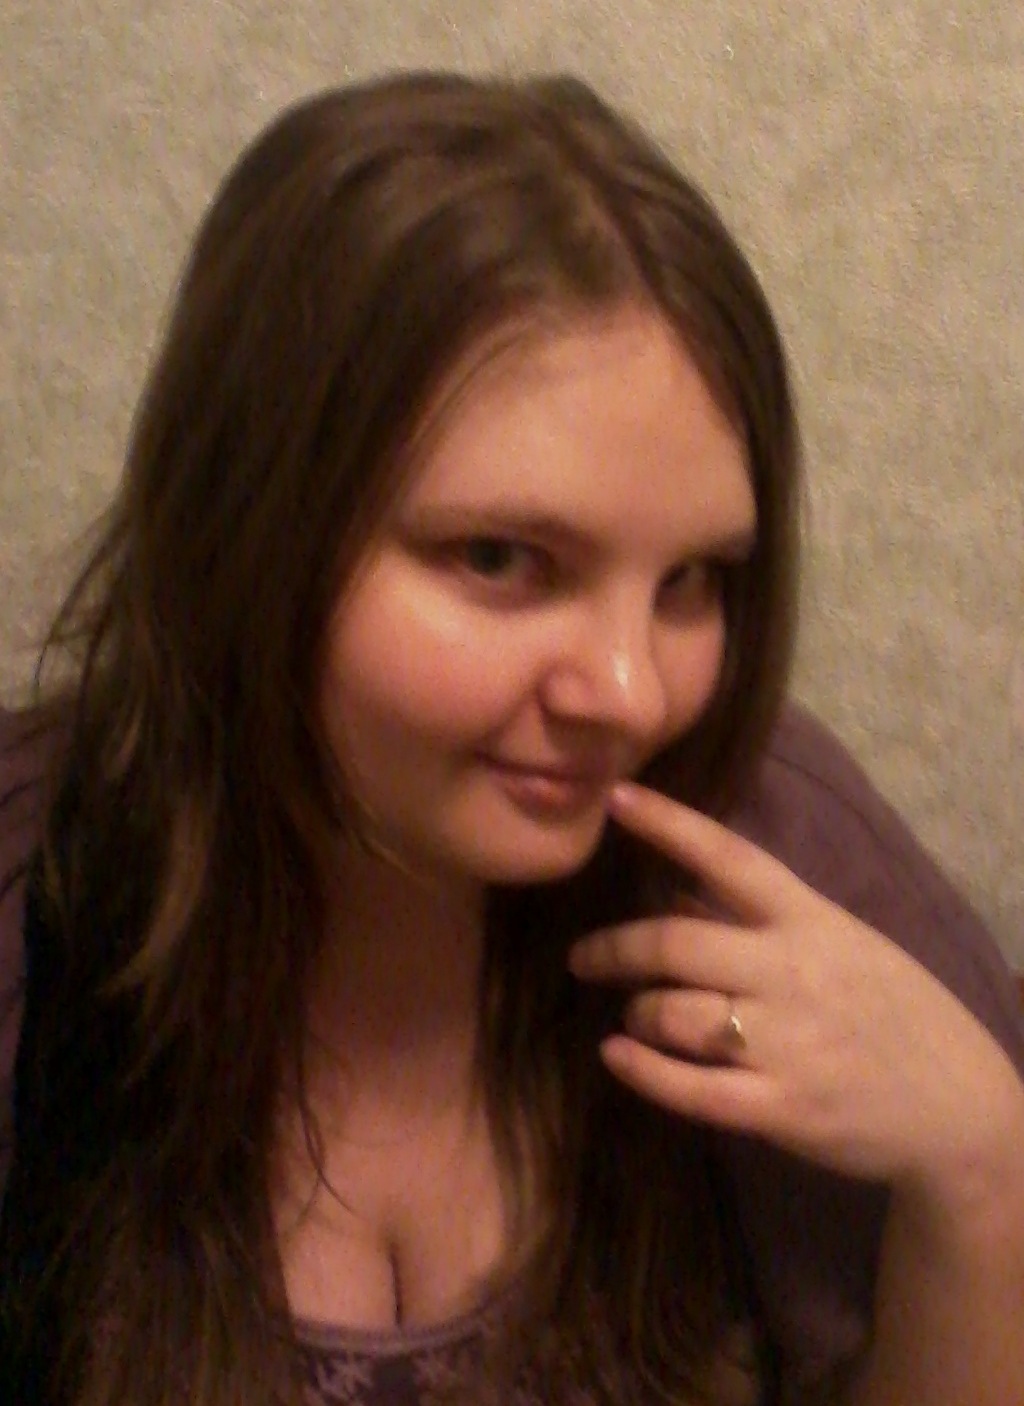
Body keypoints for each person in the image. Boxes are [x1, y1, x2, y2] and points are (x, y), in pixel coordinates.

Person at [0, 70, 1021, 1406]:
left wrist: (982, 1173)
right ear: (243, 522)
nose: (632, 694)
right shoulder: (36, 898)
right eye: (500, 558)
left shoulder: (773, 850)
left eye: (691, 581)